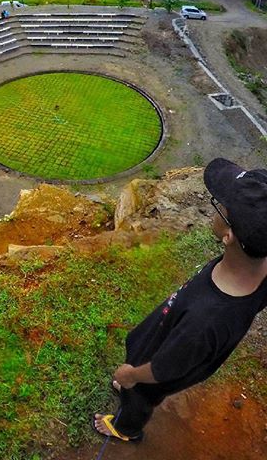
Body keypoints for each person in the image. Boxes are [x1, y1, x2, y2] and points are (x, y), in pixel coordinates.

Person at [93, 158, 267, 443]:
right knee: (141, 372)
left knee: (141, 396)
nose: (216, 207)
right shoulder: (257, 268)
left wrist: (132, 375)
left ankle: (125, 428)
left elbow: (164, 369)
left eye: (218, 206)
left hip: (157, 367)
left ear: (228, 235)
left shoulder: (205, 320)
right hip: (172, 333)